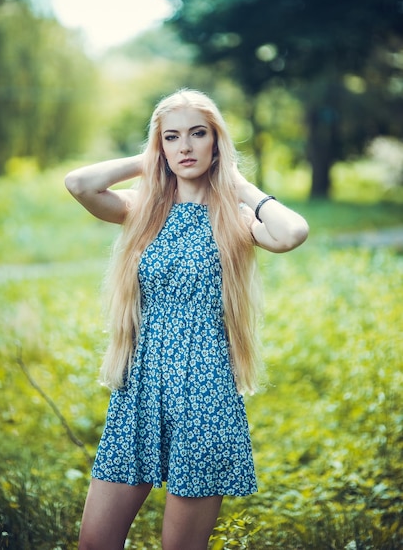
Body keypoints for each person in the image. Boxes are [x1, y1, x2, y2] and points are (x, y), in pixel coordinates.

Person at [65, 88, 309, 550]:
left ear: (216, 142)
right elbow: (79, 184)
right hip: (138, 391)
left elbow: (292, 232)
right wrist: (151, 159)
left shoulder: (234, 217)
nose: (186, 147)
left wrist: (239, 185)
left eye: (198, 134)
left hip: (205, 397)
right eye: (172, 137)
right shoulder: (143, 209)